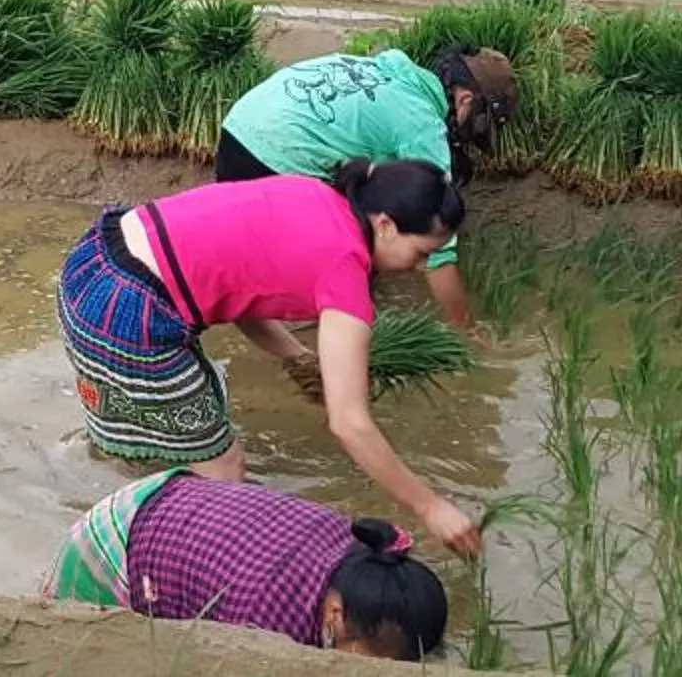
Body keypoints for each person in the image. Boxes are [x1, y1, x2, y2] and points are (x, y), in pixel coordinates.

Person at [56, 159, 483, 557]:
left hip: (93, 262)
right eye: (421, 252)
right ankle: (191, 566)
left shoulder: (315, 195)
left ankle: (115, 494)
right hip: (127, 311)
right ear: (386, 225)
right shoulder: (345, 272)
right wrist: (431, 507)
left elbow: (240, 289)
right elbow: (350, 424)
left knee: (182, 440)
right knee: (225, 469)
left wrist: (298, 358)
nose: (422, 266)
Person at [215, 46, 517, 329]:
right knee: (346, 252)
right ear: (465, 100)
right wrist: (466, 331)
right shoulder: (421, 124)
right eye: (481, 121)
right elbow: (439, 252)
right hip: (273, 160)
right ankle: (318, 315)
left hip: (237, 131)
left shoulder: (392, 71)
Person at [50, 471, 450, 662]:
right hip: (110, 543)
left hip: (166, 497)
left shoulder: (365, 552)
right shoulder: (265, 618)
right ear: (335, 616)